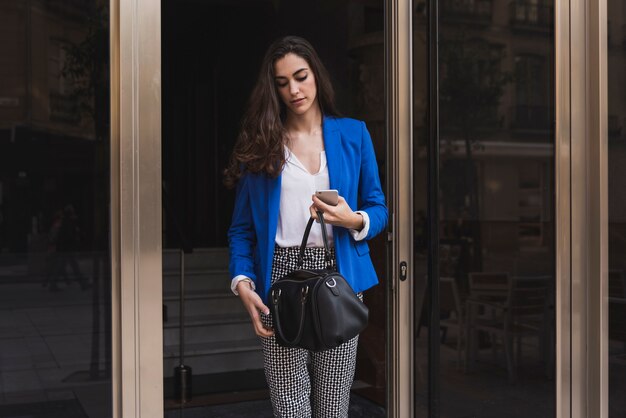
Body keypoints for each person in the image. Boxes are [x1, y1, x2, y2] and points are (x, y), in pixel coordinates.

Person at [225, 35, 387, 417]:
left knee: (333, 403)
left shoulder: (353, 134)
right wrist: (242, 281)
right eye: (282, 83)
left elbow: (379, 208)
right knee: (289, 405)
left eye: (301, 76)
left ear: (316, 74)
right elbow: (241, 230)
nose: (294, 90)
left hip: (339, 276)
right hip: (279, 278)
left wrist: (353, 219)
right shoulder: (263, 142)